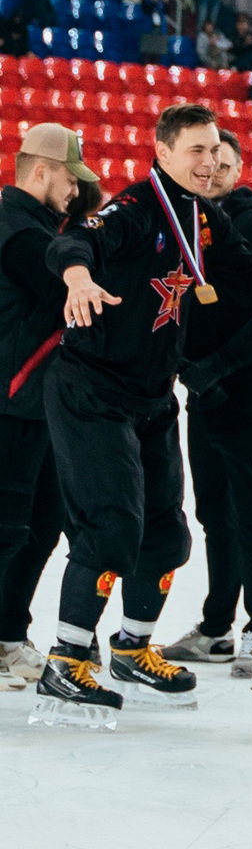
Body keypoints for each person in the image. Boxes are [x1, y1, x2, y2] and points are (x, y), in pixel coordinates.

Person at [36, 106, 252, 729]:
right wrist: (78, 277)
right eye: (195, 150)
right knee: (112, 527)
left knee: (167, 536)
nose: (210, 161)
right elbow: (74, 240)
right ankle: (65, 660)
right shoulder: (137, 209)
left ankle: (132, 650)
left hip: (152, 397)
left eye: (215, 149)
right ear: (162, 153)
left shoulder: (203, 217)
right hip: (93, 390)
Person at [158, 131, 252, 680]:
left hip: (250, 392)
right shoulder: (188, 226)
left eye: (222, 161)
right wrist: (189, 366)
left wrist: (220, 366)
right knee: (215, 510)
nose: (211, 169)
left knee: (249, 509)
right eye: (204, 160)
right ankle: (217, 626)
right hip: (203, 391)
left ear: (237, 169)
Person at [0, 125, 95, 690]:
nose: (76, 190)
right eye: (69, 178)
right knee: (8, 528)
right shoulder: (15, 226)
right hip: (12, 402)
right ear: (40, 171)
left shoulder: (38, 224)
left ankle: (9, 634)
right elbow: (54, 270)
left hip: (41, 406)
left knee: (40, 526)